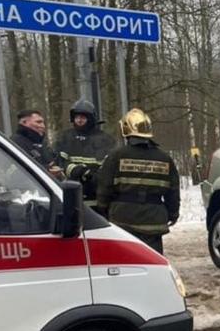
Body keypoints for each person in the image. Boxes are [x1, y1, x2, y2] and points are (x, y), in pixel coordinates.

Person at [97, 108, 180, 254]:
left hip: (123, 219)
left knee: (124, 262)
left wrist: (103, 209)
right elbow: (173, 191)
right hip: (153, 221)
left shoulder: (116, 156)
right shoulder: (165, 158)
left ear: (126, 130)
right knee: (152, 261)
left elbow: (104, 187)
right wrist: (173, 213)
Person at [55, 99, 118, 202]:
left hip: (97, 192)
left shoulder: (105, 139)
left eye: (83, 117)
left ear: (91, 118)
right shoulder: (66, 137)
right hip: (71, 190)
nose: (79, 120)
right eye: (77, 117)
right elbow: (60, 161)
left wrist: (93, 176)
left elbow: (110, 164)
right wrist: (75, 170)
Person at [9, 109, 60, 176]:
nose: (43, 126)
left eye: (43, 123)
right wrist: (46, 171)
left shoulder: (42, 144)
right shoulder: (15, 143)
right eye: (38, 122)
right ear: (24, 122)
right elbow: (15, 170)